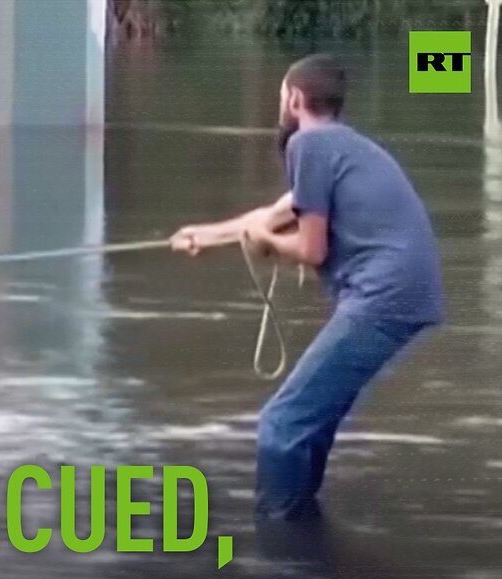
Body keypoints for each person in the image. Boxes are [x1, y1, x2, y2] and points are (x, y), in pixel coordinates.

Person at [169, 53, 447, 521]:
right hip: (406, 295)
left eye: (281, 96)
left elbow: (311, 249)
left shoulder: (308, 145)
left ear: (295, 99)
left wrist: (265, 244)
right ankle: (302, 545)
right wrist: (205, 234)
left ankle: (281, 540)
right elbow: (275, 216)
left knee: (282, 423)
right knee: (312, 421)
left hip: (383, 297)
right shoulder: (341, 147)